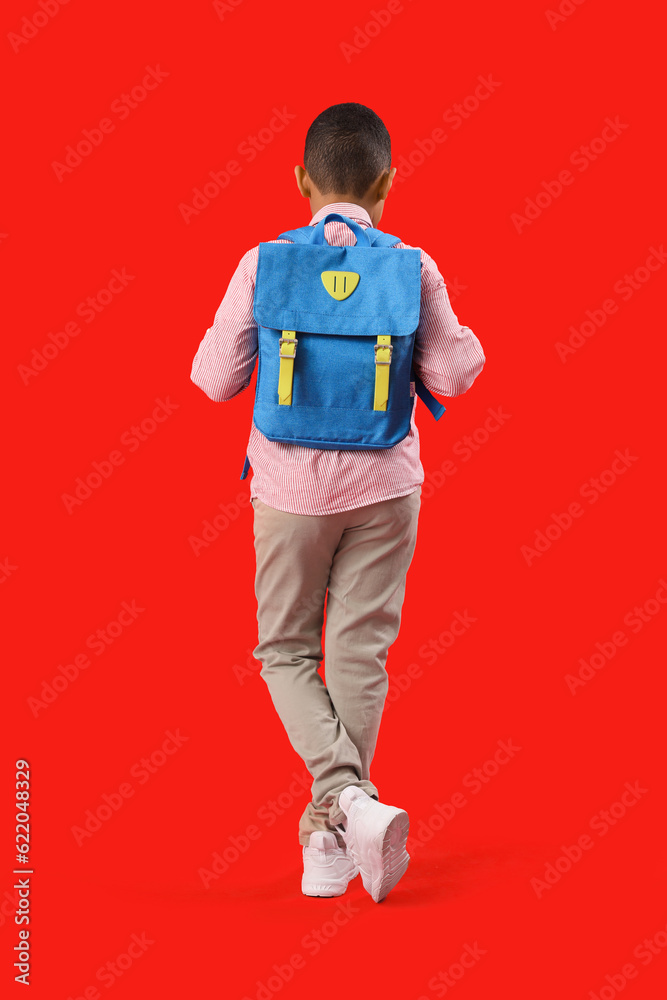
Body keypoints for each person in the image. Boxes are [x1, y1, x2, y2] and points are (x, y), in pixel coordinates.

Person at [190, 102, 486, 902]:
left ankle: (336, 813)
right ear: (387, 183)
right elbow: (455, 375)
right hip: (386, 490)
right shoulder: (411, 265)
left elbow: (213, 380)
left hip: (288, 496)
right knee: (360, 654)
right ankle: (338, 823)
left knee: (283, 652)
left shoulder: (262, 263)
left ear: (300, 182)